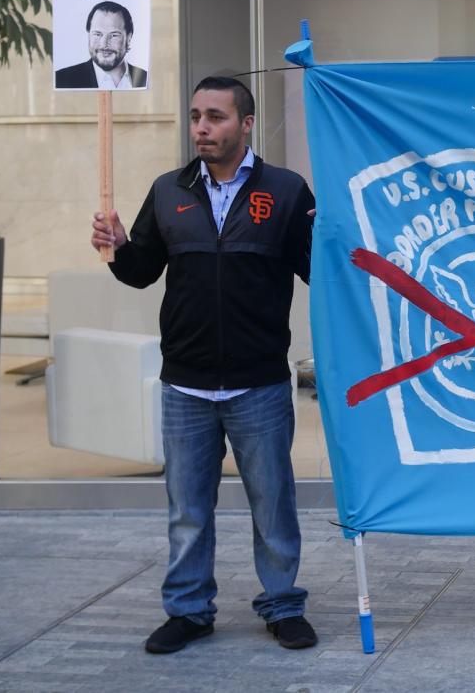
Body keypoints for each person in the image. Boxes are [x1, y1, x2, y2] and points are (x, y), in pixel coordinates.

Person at [91, 76, 317, 652]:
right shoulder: (169, 191)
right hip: (186, 385)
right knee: (188, 510)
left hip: (259, 383)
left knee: (273, 503)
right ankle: (189, 611)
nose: (201, 128)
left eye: (215, 117)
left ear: (246, 123)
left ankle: (282, 604)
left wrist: (339, 233)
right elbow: (142, 270)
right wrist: (117, 247)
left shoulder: (287, 192)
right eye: (195, 116)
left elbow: (319, 270)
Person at [55, 1, 148, 90]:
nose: (104, 44)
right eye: (97, 34)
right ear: (88, 35)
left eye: (114, 35)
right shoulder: (61, 80)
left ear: (129, 37)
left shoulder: (146, 78)